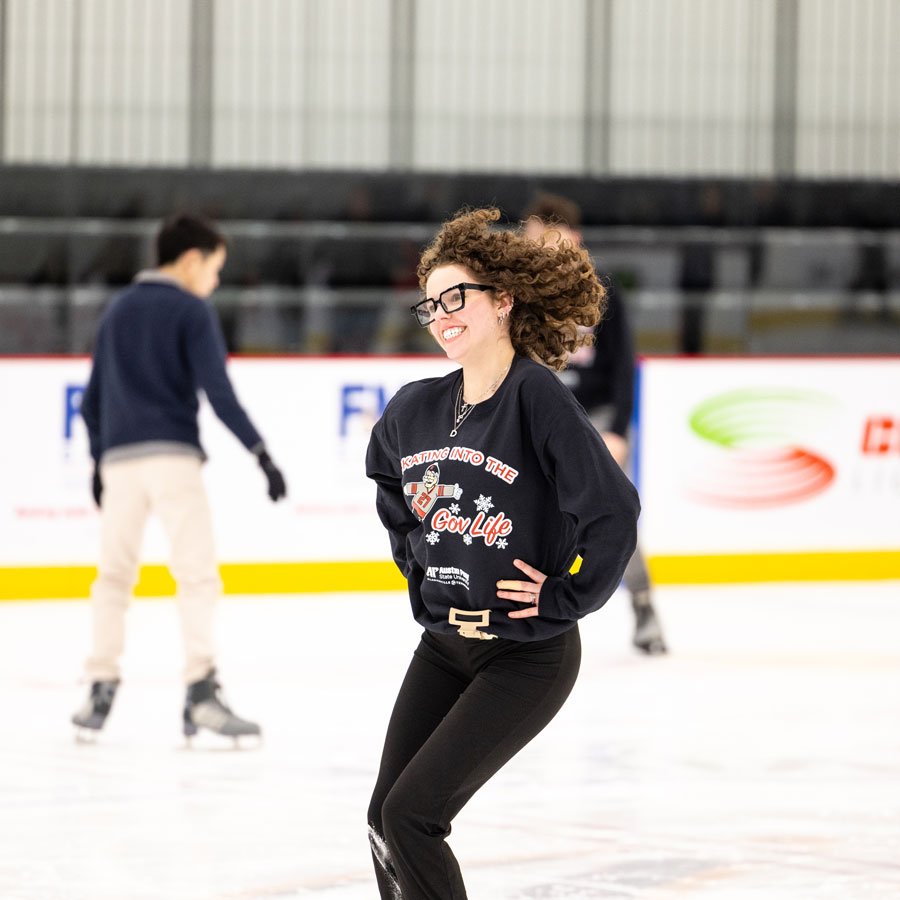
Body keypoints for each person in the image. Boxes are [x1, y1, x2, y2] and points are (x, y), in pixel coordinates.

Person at [365, 207, 640, 898]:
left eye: (456, 298)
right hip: (444, 645)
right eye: (431, 303)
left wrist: (562, 596)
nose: (440, 314)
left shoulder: (535, 396)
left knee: (412, 814)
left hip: (526, 655)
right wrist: (423, 571)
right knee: (383, 816)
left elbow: (612, 510)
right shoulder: (414, 408)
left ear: (504, 302)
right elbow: (390, 484)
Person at [74, 213, 287, 742]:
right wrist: (260, 453)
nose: (214, 281)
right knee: (196, 574)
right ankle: (200, 692)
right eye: (214, 269)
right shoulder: (191, 310)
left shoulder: (117, 310)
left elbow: (92, 401)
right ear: (191, 260)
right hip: (172, 459)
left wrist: (100, 462)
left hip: (120, 462)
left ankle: (100, 686)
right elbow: (219, 392)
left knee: (113, 576)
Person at [523, 192, 668, 655]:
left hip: (596, 417)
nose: (538, 247)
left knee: (611, 515)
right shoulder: (521, 292)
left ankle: (643, 606)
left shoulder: (602, 287)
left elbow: (624, 364)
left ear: (572, 238)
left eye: (546, 237)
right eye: (531, 239)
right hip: (542, 414)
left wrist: (619, 430)